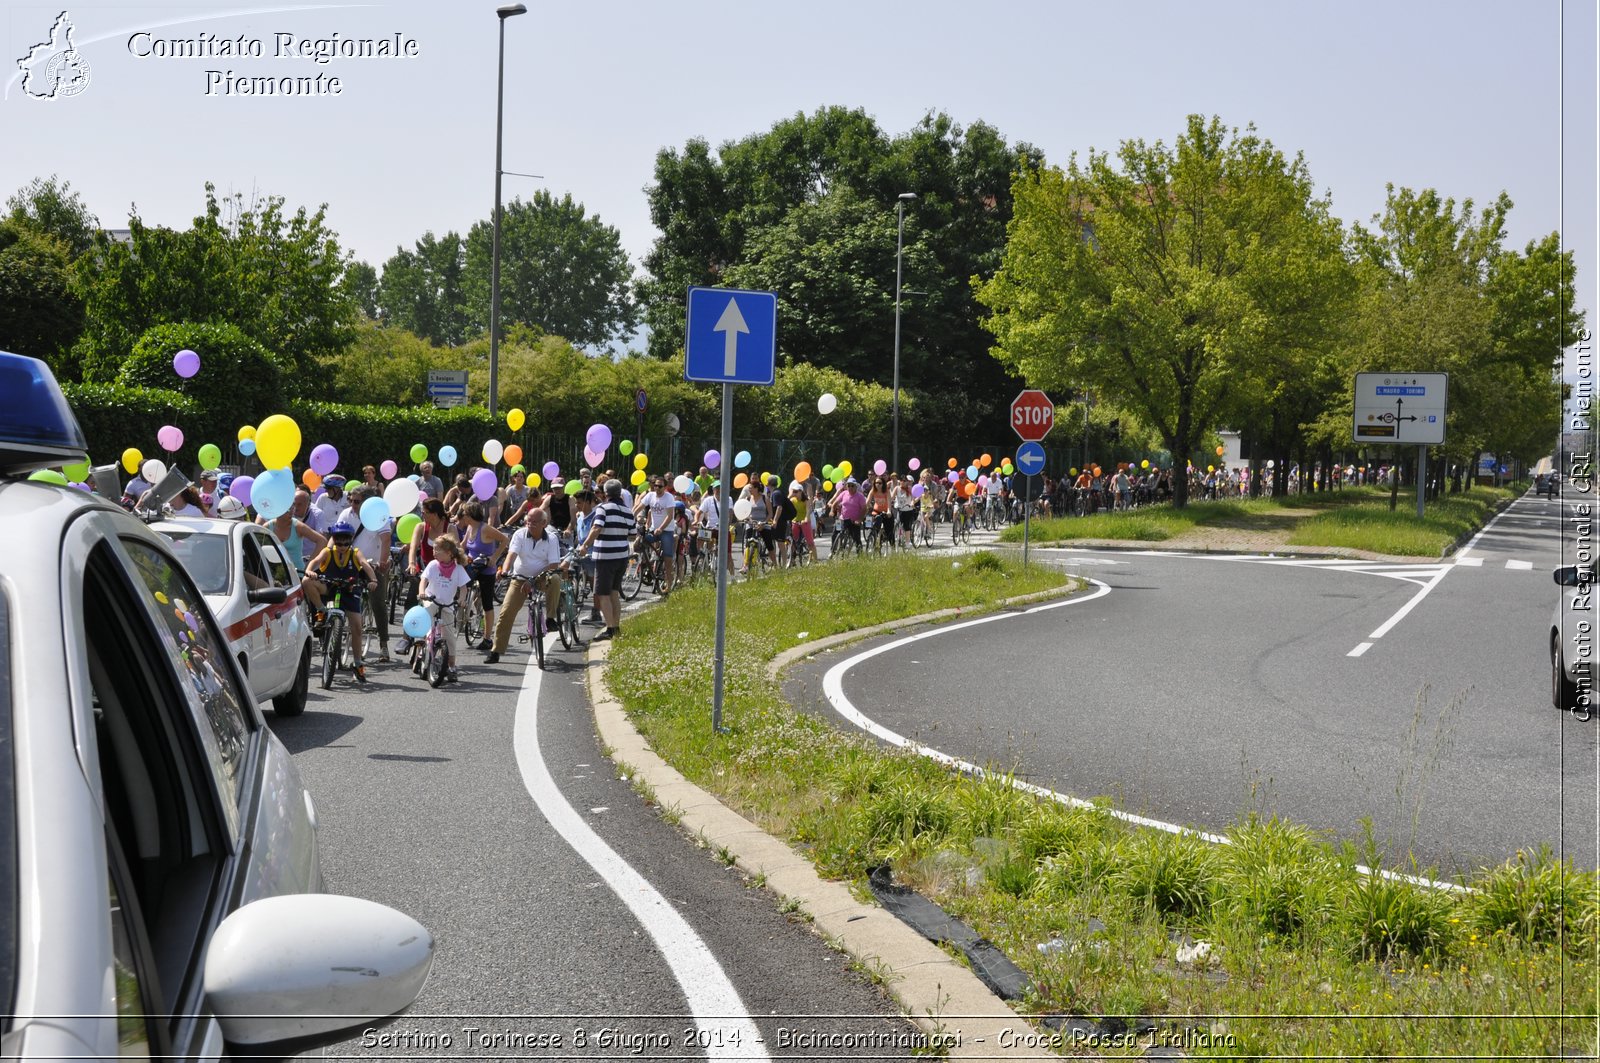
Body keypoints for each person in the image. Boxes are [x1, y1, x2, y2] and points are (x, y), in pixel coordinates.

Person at [485, 508, 566, 664]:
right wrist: (505, 570)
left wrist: (534, 580)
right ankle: (496, 650)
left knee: (555, 578)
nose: (530, 524)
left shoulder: (551, 538)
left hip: (543, 576)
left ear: (544, 523)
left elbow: (554, 564)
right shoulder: (519, 534)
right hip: (520, 578)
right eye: (528, 520)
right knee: (506, 612)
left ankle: (550, 618)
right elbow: (512, 554)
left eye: (534, 522)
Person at [303, 521, 379, 684]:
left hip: (350, 590)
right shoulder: (327, 551)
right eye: (339, 541)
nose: (342, 545)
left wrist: (373, 579)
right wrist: (310, 571)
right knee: (306, 581)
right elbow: (315, 561)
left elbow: (365, 564)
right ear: (334, 539)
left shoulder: (356, 553)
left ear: (351, 540)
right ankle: (321, 610)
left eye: (346, 541)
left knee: (357, 627)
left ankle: (357, 663)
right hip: (329, 586)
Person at [338, 485, 394, 663]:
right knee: (338, 595)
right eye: (351, 500)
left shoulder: (378, 515)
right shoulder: (346, 514)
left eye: (357, 501)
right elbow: (336, 537)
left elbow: (386, 539)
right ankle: (334, 632)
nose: (352, 504)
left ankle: (384, 645)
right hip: (350, 564)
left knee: (377, 602)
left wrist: (383, 563)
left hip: (373, 564)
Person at [578, 478, 636, 642]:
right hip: (622, 556)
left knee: (602, 594)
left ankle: (610, 629)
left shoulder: (603, 508)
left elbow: (597, 527)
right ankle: (615, 627)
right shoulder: (627, 510)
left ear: (605, 493)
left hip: (605, 556)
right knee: (614, 593)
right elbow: (632, 534)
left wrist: (585, 546)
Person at [396, 497, 450, 656]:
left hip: (444, 570)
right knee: (412, 598)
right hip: (425, 567)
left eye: (425, 513)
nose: (422, 515)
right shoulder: (420, 527)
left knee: (441, 604)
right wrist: (412, 563)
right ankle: (406, 637)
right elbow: (413, 547)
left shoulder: (449, 528)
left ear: (435, 514)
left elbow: (455, 549)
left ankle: (441, 638)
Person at [416, 533, 473, 680]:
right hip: (431, 600)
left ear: (448, 553)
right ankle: (422, 646)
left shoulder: (458, 569)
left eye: (437, 550)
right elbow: (423, 580)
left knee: (449, 637)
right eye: (433, 549)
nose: (433, 552)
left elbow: (464, 588)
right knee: (426, 618)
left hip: (447, 604)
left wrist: (461, 599)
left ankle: (452, 666)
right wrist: (422, 592)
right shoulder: (432, 565)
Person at [458, 500, 509, 651]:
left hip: (486, 568)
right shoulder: (469, 528)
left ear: (471, 515)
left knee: (487, 603)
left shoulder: (485, 529)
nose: (463, 517)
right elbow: (463, 545)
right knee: (462, 582)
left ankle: (487, 638)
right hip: (473, 565)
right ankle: (467, 607)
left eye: (465, 514)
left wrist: (494, 558)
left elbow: (505, 540)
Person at [635, 476, 679, 595]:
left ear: (665, 487)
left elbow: (670, 516)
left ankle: (669, 585)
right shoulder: (650, 495)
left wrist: (661, 528)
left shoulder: (669, 497)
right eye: (655, 485)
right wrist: (631, 516)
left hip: (666, 530)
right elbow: (639, 507)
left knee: (667, 559)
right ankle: (645, 564)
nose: (657, 488)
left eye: (660, 486)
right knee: (640, 542)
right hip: (654, 529)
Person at [830, 478, 867, 554]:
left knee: (856, 539)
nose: (850, 487)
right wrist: (832, 511)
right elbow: (835, 503)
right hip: (842, 519)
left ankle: (860, 555)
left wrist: (859, 519)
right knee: (834, 533)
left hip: (854, 521)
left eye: (852, 486)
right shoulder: (843, 493)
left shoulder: (860, 496)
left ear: (856, 487)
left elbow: (864, 509)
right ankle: (833, 551)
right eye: (848, 486)